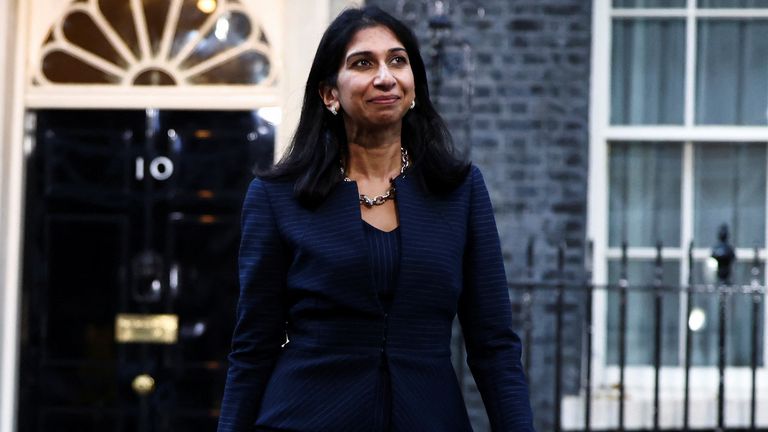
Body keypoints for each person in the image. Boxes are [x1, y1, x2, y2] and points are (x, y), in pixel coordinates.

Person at [218, 6, 533, 432]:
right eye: (363, 63)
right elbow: (253, 346)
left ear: (415, 86)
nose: (385, 77)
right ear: (329, 94)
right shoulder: (278, 198)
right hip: (304, 418)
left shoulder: (459, 191)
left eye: (397, 61)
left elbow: (494, 345)